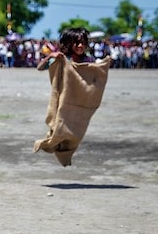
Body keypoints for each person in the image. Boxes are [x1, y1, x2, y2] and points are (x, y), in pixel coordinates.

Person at [34, 26, 110, 166]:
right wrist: (51, 56)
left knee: (76, 132)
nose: (80, 46)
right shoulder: (63, 59)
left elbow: (95, 79)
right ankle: (51, 145)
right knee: (58, 125)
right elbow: (40, 67)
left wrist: (103, 66)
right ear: (69, 43)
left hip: (80, 102)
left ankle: (65, 153)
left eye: (82, 42)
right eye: (76, 43)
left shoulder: (89, 60)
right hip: (63, 99)